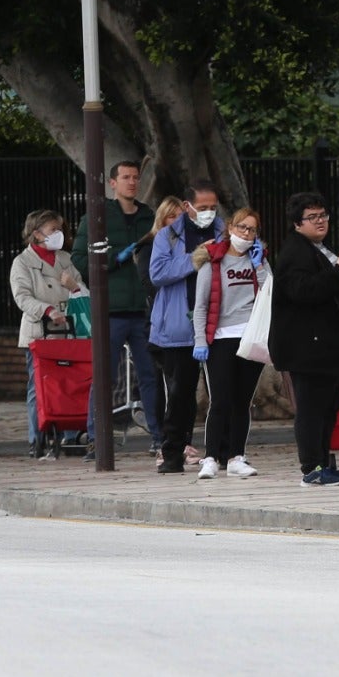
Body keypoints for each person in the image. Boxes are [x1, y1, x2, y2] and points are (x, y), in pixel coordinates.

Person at [271, 191, 339, 487]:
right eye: (312, 217)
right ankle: (312, 468)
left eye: (323, 215)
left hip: (329, 347)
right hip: (309, 349)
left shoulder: (318, 248)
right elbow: (303, 291)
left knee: (327, 409)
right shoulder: (295, 252)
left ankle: (324, 463)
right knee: (312, 410)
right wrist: (338, 272)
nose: (320, 221)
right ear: (297, 223)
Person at [73, 160, 160, 461]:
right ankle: (96, 438)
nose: (132, 182)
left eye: (135, 177)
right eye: (125, 177)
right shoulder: (97, 216)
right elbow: (80, 259)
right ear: (112, 183)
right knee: (104, 376)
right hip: (111, 310)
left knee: (151, 375)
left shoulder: (148, 216)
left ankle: (159, 438)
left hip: (143, 309)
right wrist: (114, 258)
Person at [148, 181, 224, 474]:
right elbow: (157, 273)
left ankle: (225, 452)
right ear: (186, 206)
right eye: (202, 207)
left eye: (213, 207)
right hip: (179, 326)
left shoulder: (224, 231)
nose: (208, 212)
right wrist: (194, 259)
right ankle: (172, 453)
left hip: (217, 323)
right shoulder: (167, 235)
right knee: (180, 394)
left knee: (223, 391)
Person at [190, 206, 270, 480]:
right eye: (241, 227)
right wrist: (200, 340)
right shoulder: (213, 262)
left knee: (242, 401)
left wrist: (259, 265)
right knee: (220, 400)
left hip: (251, 338)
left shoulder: (258, 260)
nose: (246, 233)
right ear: (230, 228)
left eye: (251, 229)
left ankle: (236, 457)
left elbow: (270, 293)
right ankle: (211, 457)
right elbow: (201, 306)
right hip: (221, 338)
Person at [10, 210, 84, 459]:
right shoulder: (23, 262)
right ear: (37, 234)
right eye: (53, 230)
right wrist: (47, 310)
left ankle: (70, 436)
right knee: (38, 386)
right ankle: (37, 438)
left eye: (60, 229)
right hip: (40, 332)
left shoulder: (65, 259)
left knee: (70, 384)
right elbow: (22, 297)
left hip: (68, 332)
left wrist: (74, 287)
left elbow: (81, 288)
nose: (59, 234)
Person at [137, 195, 182, 464]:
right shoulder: (149, 245)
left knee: (182, 384)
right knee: (163, 382)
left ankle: (181, 440)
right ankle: (162, 439)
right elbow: (151, 282)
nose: (176, 222)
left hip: (185, 322)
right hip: (161, 321)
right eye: (171, 216)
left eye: (180, 217)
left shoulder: (188, 244)